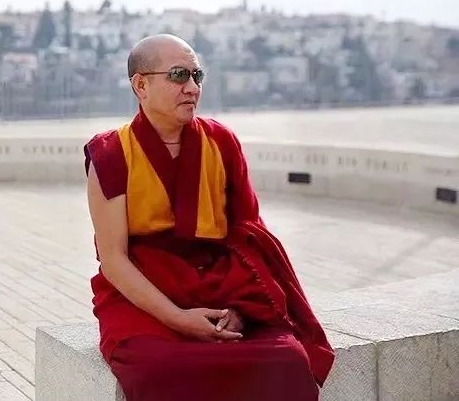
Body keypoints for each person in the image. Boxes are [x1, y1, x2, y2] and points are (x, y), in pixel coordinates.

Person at [84, 34, 334, 401]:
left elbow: (248, 233)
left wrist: (240, 310)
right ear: (141, 85)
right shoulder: (111, 153)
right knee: (158, 367)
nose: (192, 88)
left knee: (286, 358)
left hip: (219, 284)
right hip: (146, 292)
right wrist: (177, 318)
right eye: (178, 75)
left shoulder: (220, 142)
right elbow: (113, 259)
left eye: (197, 76)